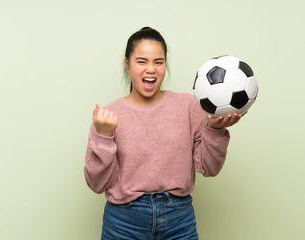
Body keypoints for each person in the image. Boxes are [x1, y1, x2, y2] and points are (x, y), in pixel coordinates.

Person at [84, 27, 242, 239]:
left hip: (179, 219)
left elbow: (209, 168)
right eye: (142, 61)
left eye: (158, 62)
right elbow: (97, 184)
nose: (151, 69)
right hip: (123, 223)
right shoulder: (108, 116)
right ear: (127, 65)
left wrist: (215, 130)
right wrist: (103, 137)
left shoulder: (188, 106)